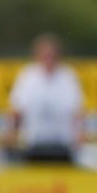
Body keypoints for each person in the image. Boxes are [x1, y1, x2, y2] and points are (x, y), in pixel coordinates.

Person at [8, 34, 84, 163]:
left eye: (52, 55)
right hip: (34, 143)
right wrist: (12, 134)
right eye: (45, 55)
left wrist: (79, 134)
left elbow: (78, 111)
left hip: (63, 144)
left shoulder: (68, 76)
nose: (49, 59)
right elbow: (17, 110)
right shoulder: (27, 76)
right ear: (37, 55)